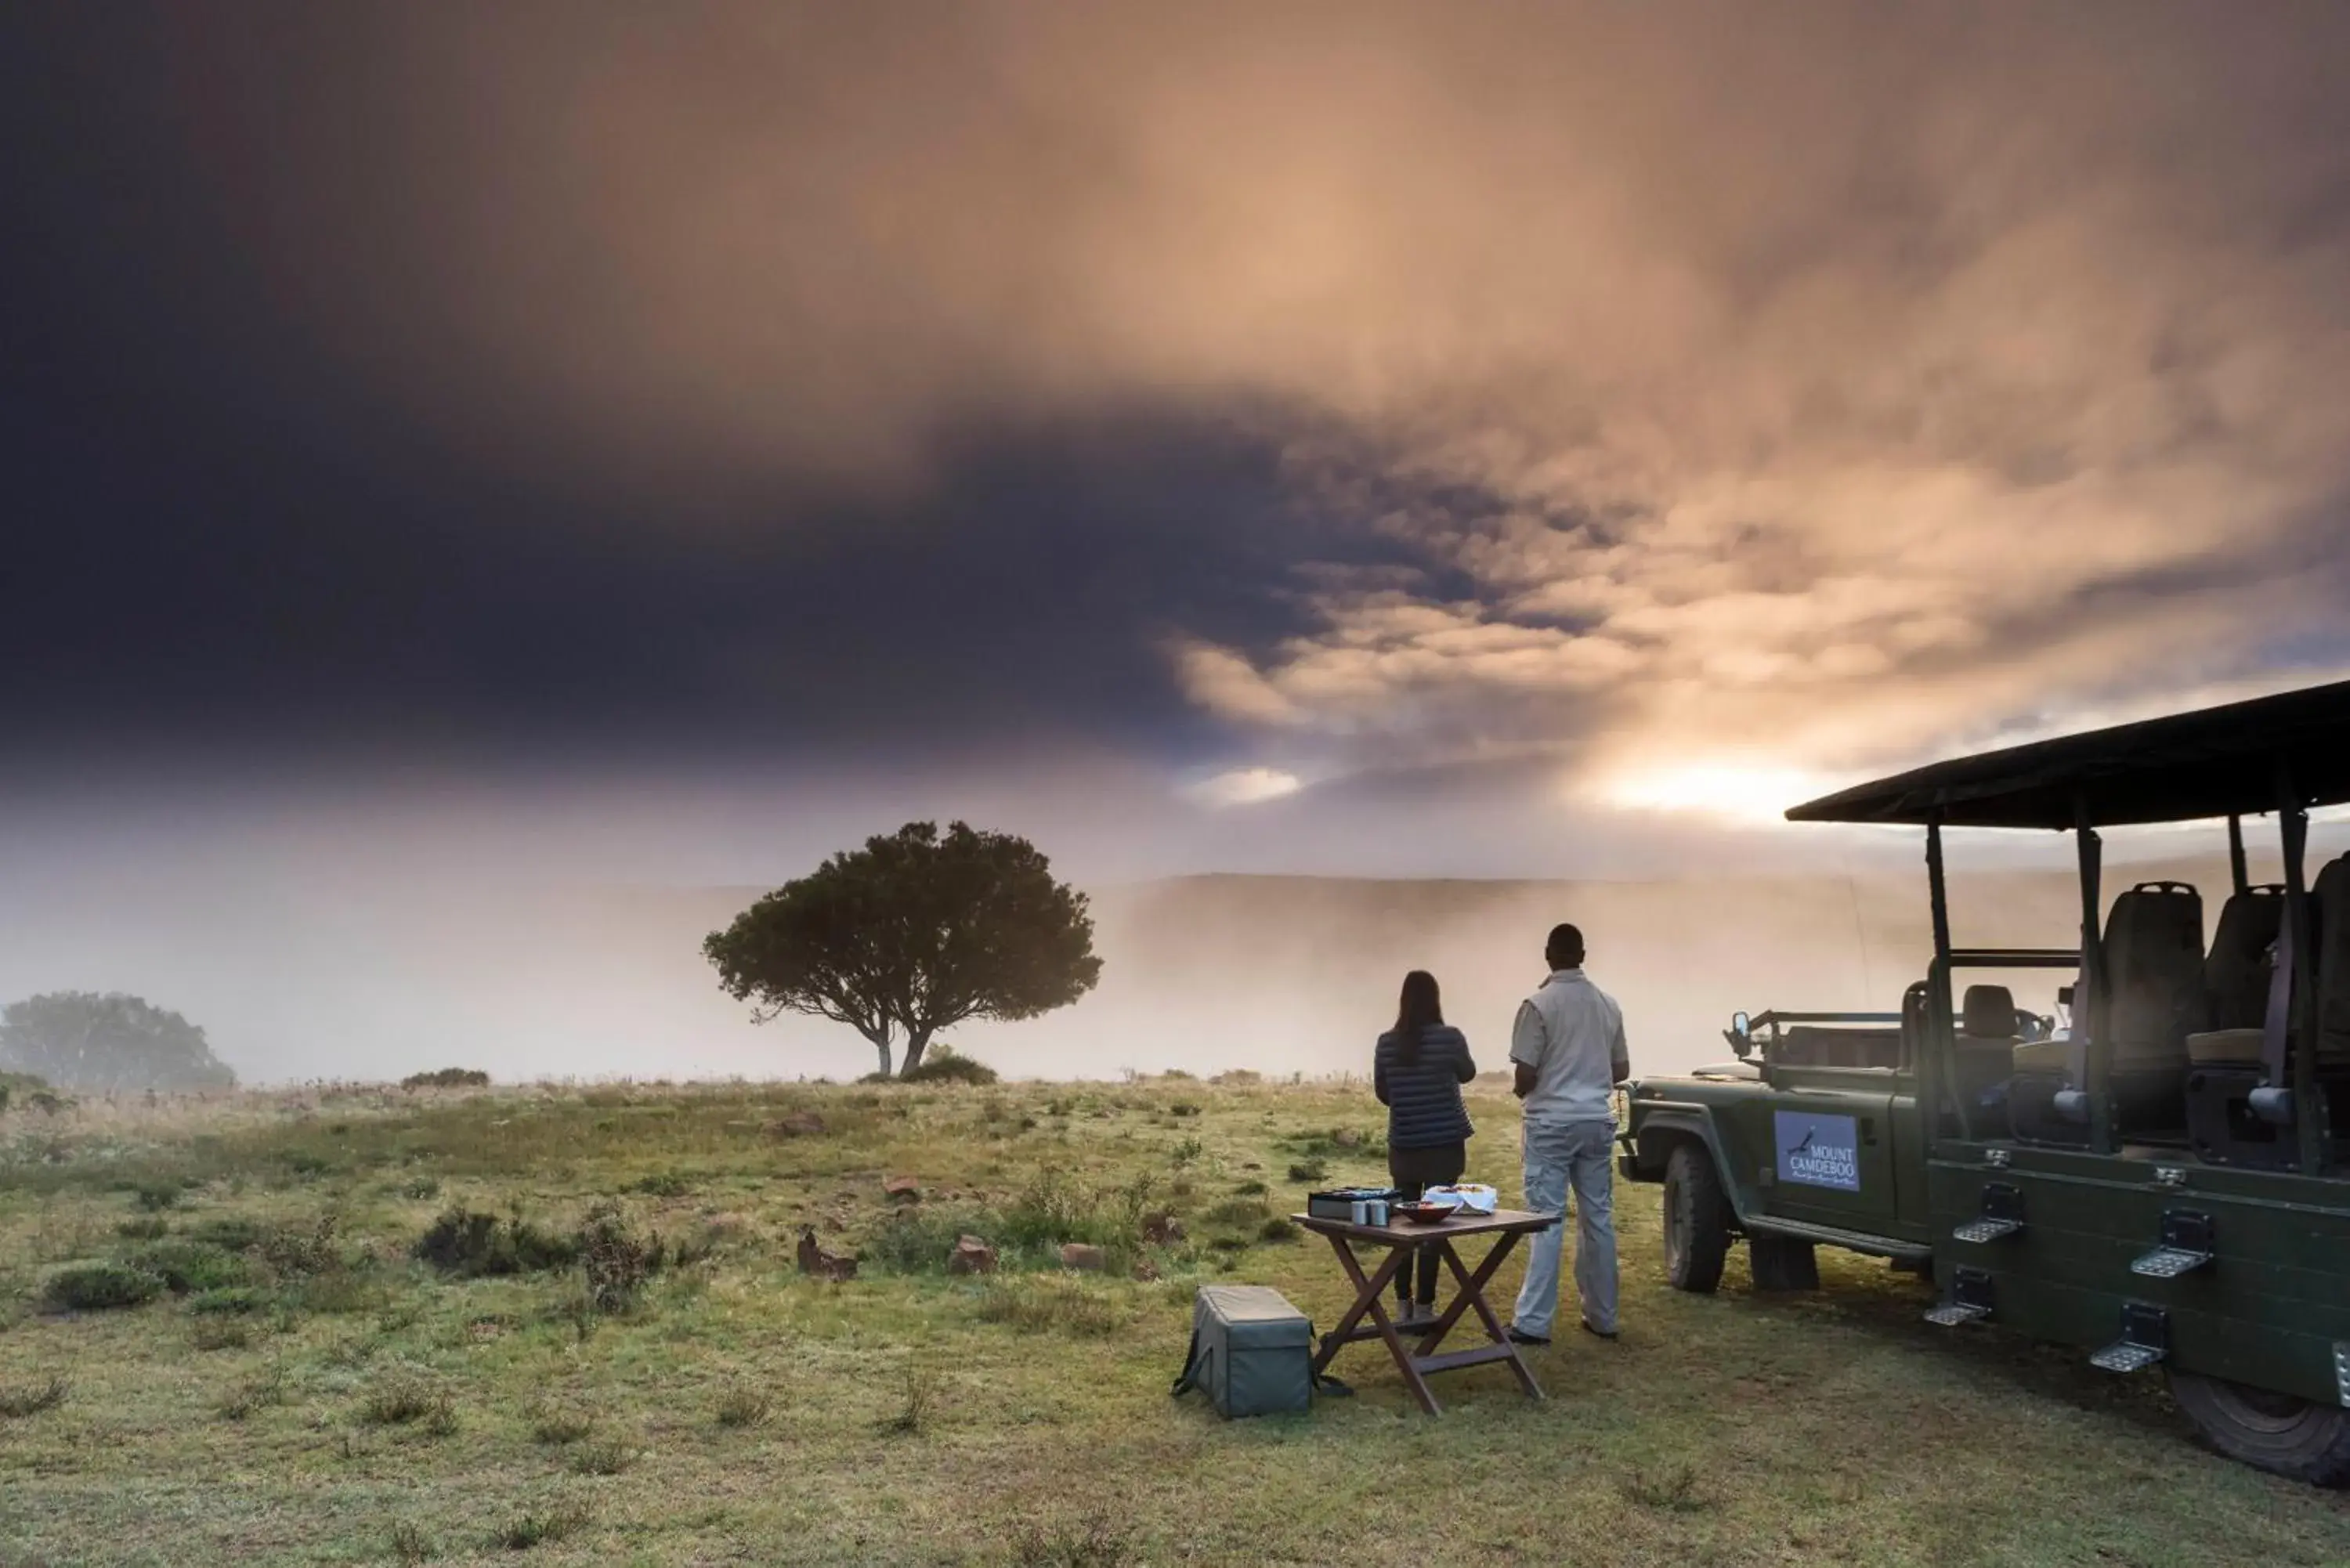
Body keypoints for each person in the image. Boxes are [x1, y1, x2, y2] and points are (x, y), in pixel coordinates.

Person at [1507, 923, 1629, 1345]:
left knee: (1546, 1219)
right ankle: (1603, 1315)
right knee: (1598, 1218)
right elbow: (1621, 1070)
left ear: (1548, 954)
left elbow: (1526, 1071)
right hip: (1596, 1120)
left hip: (1551, 1123)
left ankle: (1533, 1321)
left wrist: (1523, 1089)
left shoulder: (1538, 1004)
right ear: (1583, 954)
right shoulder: (1608, 1005)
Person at [1372, 970, 1477, 1326]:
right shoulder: (1450, 1039)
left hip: (1404, 1144)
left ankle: (1401, 1305)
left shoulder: (1387, 1043)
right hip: (1445, 1146)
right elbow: (1468, 1073)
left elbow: (1383, 1093)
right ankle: (1425, 1308)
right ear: (1436, 1000)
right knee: (1434, 1226)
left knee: (1403, 1225)